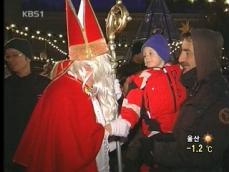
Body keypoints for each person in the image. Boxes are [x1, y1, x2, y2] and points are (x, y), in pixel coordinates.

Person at [12, 0, 119, 172]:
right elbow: (78, 148)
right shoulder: (69, 92)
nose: (105, 77)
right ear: (91, 67)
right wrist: (109, 130)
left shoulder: (75, 84)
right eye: (104, 72)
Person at [138, 28, 229, 172]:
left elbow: (207, 147)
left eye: (187, 52)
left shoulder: (217, 97)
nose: (180, 59)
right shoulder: (195, 89)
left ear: (204, 56)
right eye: (181, 51)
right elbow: (187, 136)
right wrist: (162, 138)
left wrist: (158, 150)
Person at [105, 33, 187, 171]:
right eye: (144, 55)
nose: (147, 57)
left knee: (186, 160)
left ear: (162, 53)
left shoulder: (178, 72)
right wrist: (124, 122)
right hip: (156, 135)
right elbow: (132, 103)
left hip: (180, 131)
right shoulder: (143, 78)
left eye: (151, 53)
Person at [4, 38, 51, 172]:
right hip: (10, 152)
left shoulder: (44, 85)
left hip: (36, 150)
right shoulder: (7, 85)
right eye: (7, 57)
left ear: (28, 58)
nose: (11, 60)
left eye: (15, 55)